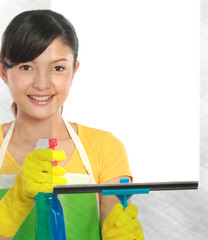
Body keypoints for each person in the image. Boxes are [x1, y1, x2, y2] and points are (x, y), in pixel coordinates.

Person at [0, 10, 144, 240]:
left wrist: (121, 234)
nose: (42, 83)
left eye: (58, 68)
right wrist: (15, 202)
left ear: (74, 71)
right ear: (3, 72)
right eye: (26, 67)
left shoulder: (105, 148)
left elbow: (113, 214)